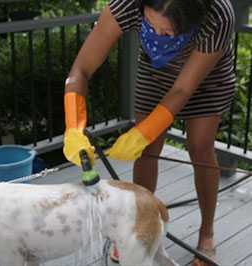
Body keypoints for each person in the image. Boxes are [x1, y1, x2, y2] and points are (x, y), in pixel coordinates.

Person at [63, 0, 235, 265]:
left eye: (165, 32)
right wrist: (74, 127)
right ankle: (136, 229)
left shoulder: (218, 15)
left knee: (200, 148)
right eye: (149, 26)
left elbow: (182, 90)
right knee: (147, 151)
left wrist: (143, 132)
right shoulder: (127, 4)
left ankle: (206, 234)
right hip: (155, 72)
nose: (155, 35)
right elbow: (80, 69)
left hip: (206, 78)